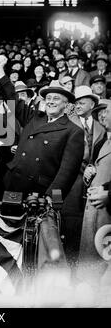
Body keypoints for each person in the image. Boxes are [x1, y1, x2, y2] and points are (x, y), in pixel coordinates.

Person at [4, 80, 84, 200]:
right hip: (13, 183)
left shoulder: (73, 131)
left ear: (66, 105)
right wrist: (0, 72)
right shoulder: (34, 118)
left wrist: (52, 196)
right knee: (9, 217)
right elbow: (12, 100)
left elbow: (67, 172)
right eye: (48, 98)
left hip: (39, 192)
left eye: (56, 98)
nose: (51, 102)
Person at [62, 86, 105, 264]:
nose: (77, 104)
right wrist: (84, 167)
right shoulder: (68, 121)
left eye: (82, 101)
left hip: (93, 187)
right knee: (70, 227)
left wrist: (93, 167)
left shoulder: (102, 126)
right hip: (72, 184)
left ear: (92, 104)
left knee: (87, 228)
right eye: (76, 102)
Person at [78, 100, 111, 284]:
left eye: (106, 111)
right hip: (95, 216)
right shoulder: (102, 142)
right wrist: (90, 172)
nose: (102, 115)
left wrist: (109, 194)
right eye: (99, 113)